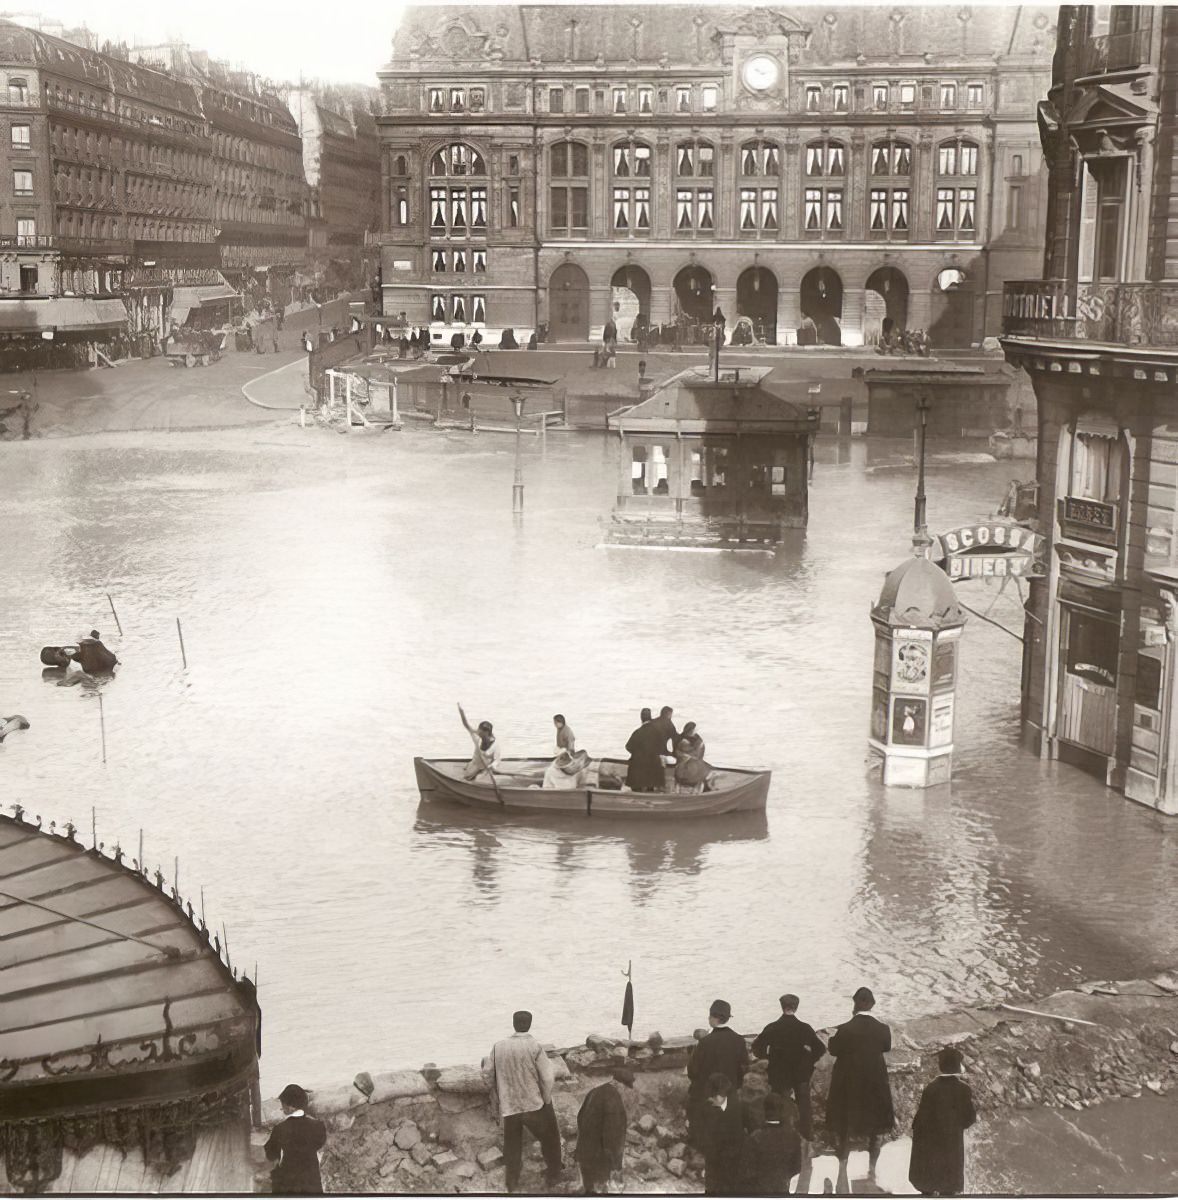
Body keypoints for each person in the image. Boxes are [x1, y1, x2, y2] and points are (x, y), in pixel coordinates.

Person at [482, 1010, 563, 1192]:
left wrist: (496, 1093)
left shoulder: (498, 1046)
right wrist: (546, 1098)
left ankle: (512, 1183)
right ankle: (554, 1175)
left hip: (510, 1104)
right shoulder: (534, 1046)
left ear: (513, 1024)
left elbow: (487, 1074)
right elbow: (548, 1077)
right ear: (530, 1024)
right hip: (533, 1103)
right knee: (550, 1137)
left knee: (512, 1144)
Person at [826, 986, 895, 1185]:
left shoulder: (846, 1029)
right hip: (874, 1079)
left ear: (854, 1004)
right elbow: (886, 1046)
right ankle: (872, 1168)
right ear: (872, 1005)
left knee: (845, 1120)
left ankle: (843, 1163)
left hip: (849, 1079)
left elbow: (834, 1049)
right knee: (875, 1121)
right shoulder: (882, 1028)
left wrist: (832, 1036)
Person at [752, 993, 826, 1141]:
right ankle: (807, 1137)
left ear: (781, 1006)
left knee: (780, 1106)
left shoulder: (772, 1027)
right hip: (801, 1074)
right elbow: (820, 1049)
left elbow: (756, 1047)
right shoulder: (804, 1028)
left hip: (778, 1074)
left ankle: (780, 1138)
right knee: (804, 1107)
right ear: (796, 1007)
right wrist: (809, 1060)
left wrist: (767, 1059)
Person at [908, 1046, 977, 1197]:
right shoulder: (964, 1089)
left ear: (940, 1066)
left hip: (930, 1144)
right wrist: (954, 1126)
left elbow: (919, 1120)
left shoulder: (930, 1088)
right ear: (958, 1067)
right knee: (949, 1186)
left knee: (929, 1181)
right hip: (951, 1142)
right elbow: (970, 1119)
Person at [687, 1000, 748, 1145]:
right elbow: (744, 1069)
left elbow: (693, 1072)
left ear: (714, 1017)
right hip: (730, 1096)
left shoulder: (705, 1042)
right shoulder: (739, 1040)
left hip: (708, 1097)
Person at [575, 1067, 633, 1194]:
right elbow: (613, 1137)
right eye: (626, 1087)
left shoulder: (594, 1091)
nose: (627, 1092)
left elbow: (580, 1117)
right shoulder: (614, 1100)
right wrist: (616, 1165)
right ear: (619, 1084)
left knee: (588, 1190)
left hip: (584, 1153)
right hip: (598, 1160)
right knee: (600, 1191)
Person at [264, 1083, 327, 1194]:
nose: (281, 1107)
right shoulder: (318, 1125)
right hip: (312, 1180)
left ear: (290, 1106)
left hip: (289, 1181)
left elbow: (270, 1154)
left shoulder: (280, 1129)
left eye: (283, 1104)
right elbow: (319, 1143)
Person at [742, 1091, 802, 1196]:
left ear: (765, 1111)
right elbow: (796, 1168)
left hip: (759, 1191)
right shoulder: (793, 1137)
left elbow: (748, 1170)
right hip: (783, 1189)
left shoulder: (756, 1137)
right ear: (781, 1110)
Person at [698, 1072, 749, 1195]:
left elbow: (747, 1131)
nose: (711, 1100)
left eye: (714, 1097)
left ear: (723, 1093)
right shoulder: (705, 1109)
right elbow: (703, 1138)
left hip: (733, 1164)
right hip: (714, 1166)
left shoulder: (739, 1107)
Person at [624, 709, 666, 793]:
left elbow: (628, 746)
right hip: (653, 766)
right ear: (650, 717)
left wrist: (638, 754)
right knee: (651, 787)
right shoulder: (658, 732)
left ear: (641, 718)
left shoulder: (638, 732)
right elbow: (662, 748)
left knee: (636, 788)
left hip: (638, 767)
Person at [458, 703, 502, 781]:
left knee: (478, 780)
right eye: (479, 732)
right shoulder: (477, 736)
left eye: (482, 734)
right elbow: (466, 725)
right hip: (473, 766)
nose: (479, 734)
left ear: (488, 733)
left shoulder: (495, 745)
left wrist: (492, 766)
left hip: (485, 770)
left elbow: (497, 760)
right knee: (466, 777)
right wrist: (461, 712)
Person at [673, 721, 714, 794]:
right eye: (694, 729)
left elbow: (699, 753)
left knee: (707, 771)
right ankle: (685, 792)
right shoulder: (682, 740)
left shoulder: (697, 739)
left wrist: (696, 752)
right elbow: (678, 752)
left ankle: (700, 790)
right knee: (700, 772)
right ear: (690, 730)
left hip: (695, 762)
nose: (696, 731)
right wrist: (685, 755)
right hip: (684, 764)